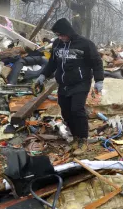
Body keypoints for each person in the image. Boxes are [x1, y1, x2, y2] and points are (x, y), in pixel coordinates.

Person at [34, 18, 104, 155]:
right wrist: (43, 75)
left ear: (68, 32)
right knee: (66, 111)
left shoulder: (85, 44)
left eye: (62, 34)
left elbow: (97, 62)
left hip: (81, 82)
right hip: (64, 84)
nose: (60, 37)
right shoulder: (57, 44)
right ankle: (75, 137)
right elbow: (52, 63)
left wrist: (99, 80)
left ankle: (83, 139)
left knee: (77, 110)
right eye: (58, 35)